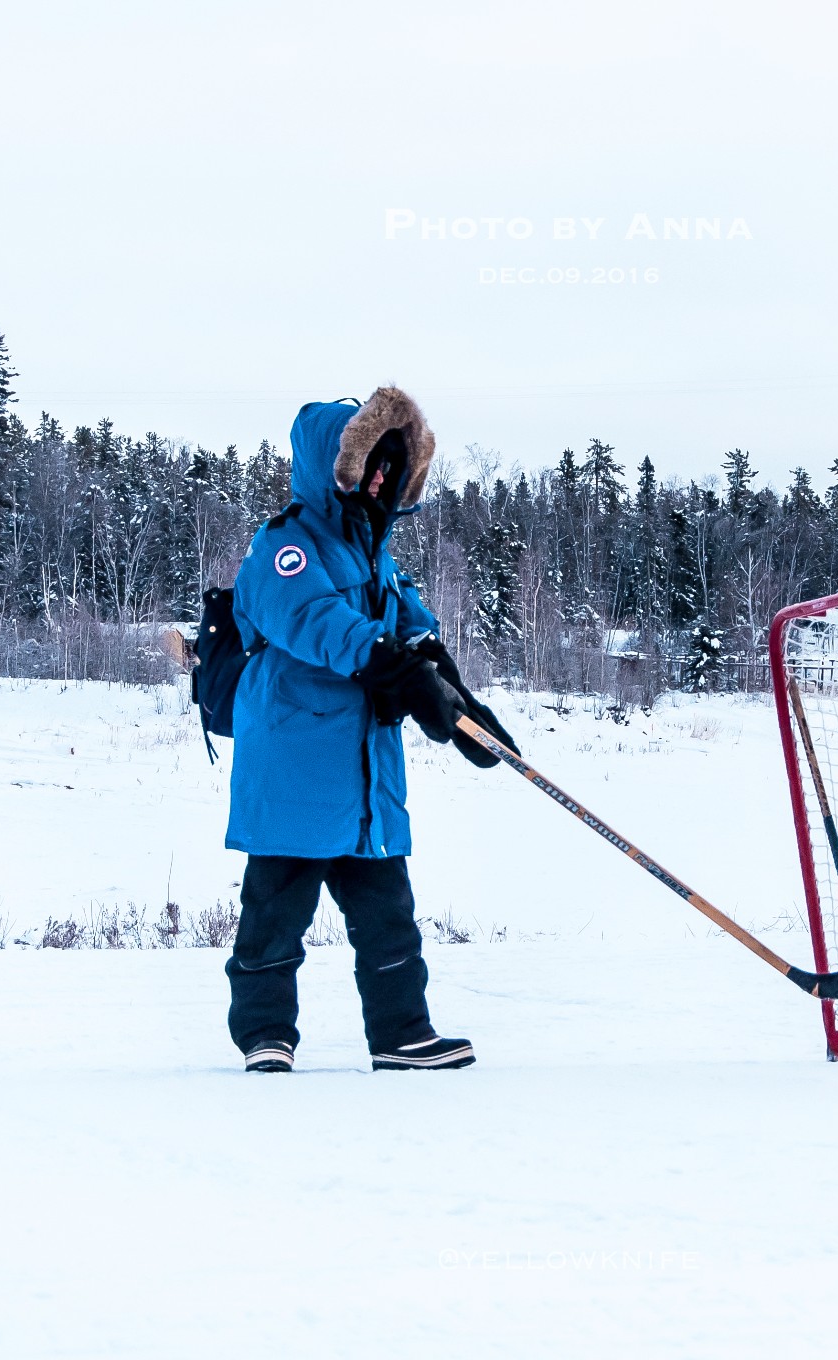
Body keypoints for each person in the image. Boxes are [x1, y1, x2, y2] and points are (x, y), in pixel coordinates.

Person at [223, 388, 516, 1074]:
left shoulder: (378, 558)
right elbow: (313, 621)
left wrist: (456, 700)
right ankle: (266, 1034)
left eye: (393, 465)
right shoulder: (285, 545)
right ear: (337, 466)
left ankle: (402, 1033)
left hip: (366, 774)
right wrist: (389, 664)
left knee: (389, 916)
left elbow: (415, 630)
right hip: (296, 764)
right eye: (370, 464)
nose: (381, 478)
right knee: (275, 917)